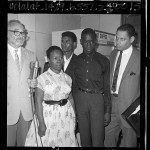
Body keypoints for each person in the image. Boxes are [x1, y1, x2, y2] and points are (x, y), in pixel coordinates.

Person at [25, 46, 77, 147]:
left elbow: (70, 98)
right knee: (47, 141)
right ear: (48, 60)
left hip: (66, 115)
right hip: (48, 117)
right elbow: (38, 101)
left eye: (61, 58)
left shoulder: (68, 78)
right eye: (55, 58)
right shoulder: (42, 78)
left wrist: (74, 118)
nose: (59, 61)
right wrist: (41, 123)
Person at [73, 28, 111, 147]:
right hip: (81, 99)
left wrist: (107, 111)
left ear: (95, 42)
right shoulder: (76, 60)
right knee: (84, 136)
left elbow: (107, 86)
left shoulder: (104, 60)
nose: (88, 44)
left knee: (98, 137)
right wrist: (74, 107)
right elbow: (74, 85)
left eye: (91, 41)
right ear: (81, 42)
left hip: (97, 99)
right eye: (85, 41)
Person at [104, 24, 140, 147]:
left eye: (122, 39)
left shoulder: (139, 57)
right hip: (111, 105)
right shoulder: (113, 54)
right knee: (107, 139)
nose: (117, 42)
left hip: (130, 108)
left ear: (132, 40)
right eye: (116, 38)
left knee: (129, 143)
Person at [7, 19, 37, 146]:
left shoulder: (31, 55)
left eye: (23, 33)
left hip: (26, 110)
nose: (21, 36)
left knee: (25, 143)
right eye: (16, 32)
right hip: (8, 109)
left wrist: (34, 84)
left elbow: (33, 82)